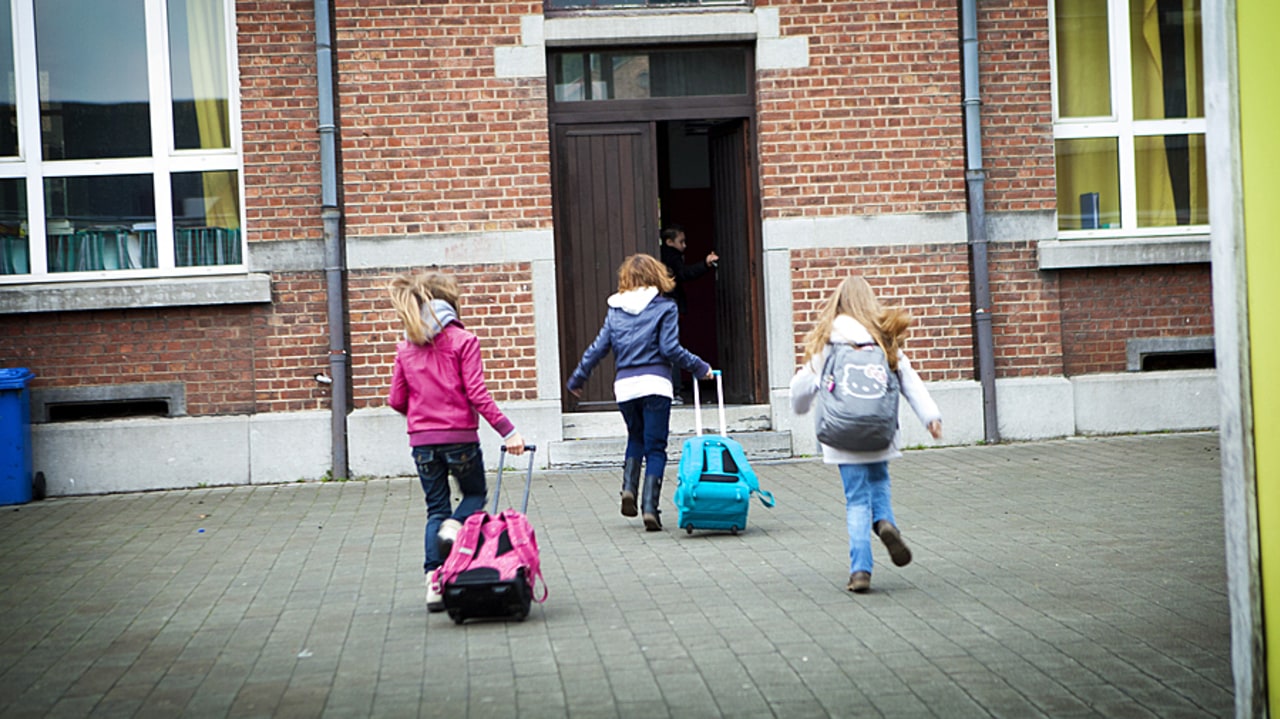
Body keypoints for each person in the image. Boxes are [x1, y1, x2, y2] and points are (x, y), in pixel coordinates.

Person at [789, 275, 942, 594]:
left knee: (856, 501)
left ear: (839, 303)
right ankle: (885, 521)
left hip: (842, 434)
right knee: (879, 481)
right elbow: (910, 381)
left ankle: (860, 571)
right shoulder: (883, 339)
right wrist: (931, 417)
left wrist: (800, 407)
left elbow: (802, 387)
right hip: (879, 432)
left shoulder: (829, 341)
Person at [387, 271, 526, 613]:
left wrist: (422, 413)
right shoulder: (464, 341)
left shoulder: (406, 345)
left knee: (435, 509)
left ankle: (434, 582)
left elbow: (395, 399)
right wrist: (509, 432)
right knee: (475, 495)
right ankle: (454, 527)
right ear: (450, 302)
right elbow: (477, 393)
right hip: (460, 438)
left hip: (422, 442)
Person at [567, 253, 713, 531]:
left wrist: (578, 378)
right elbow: (670, 349)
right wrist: (699, 366)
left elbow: (597, 349)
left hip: (624, 387)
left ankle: (628, 489)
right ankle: (650, 508)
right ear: (656, 275)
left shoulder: (615, 311)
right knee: (655, 447)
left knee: (635, 437)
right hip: (655, 384)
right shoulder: (665, 307)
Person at [659, 224, 719, 404]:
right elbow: (684, 274)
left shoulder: (664, 255)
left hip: (669, 304)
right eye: (681, 241)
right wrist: (705, 263)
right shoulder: (672, 257)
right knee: (671, 346)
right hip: (671, 304)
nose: (684, 245)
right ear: (669, 242)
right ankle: (675, 390)